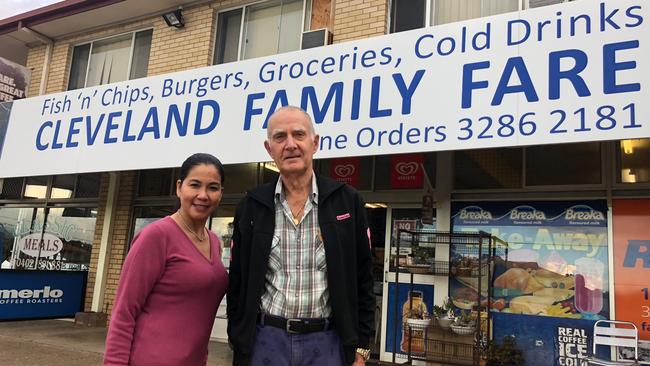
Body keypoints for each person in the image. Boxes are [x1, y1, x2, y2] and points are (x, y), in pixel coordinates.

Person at [227, 106, 374, 366]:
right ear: (269, 147)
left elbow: (363, 279)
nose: (290, 144)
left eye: (299, 134)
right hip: (265, 343)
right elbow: (237, 281)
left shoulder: (347, 202)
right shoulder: (251, 206)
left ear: (315, 142)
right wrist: (239, 342)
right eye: (280, 137)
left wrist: (361, 348)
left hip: (327, 344)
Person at [104, 153, 228, 366]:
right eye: (195, 185)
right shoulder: (156, 236)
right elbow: (124, 312)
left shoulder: (215, 242)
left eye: (213, 187)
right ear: (179, 187)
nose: (203, 195)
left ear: (221, 193)